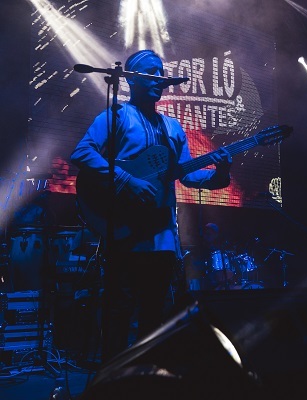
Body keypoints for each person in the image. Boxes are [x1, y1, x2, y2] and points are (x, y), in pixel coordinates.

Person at [70, 49, 232, 363]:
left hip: (162, 238)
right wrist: (126, 180)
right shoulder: (115, 115)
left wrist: (221, 173)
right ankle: (113, 380)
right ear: (133, 79)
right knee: (118, 310)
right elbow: (82, 152)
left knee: (155, 315)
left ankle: (147, 379)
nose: (160, 80)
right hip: (123, 233)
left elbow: (189, 176)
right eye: (152, 73)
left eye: (162, 73)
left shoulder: (173, 128)